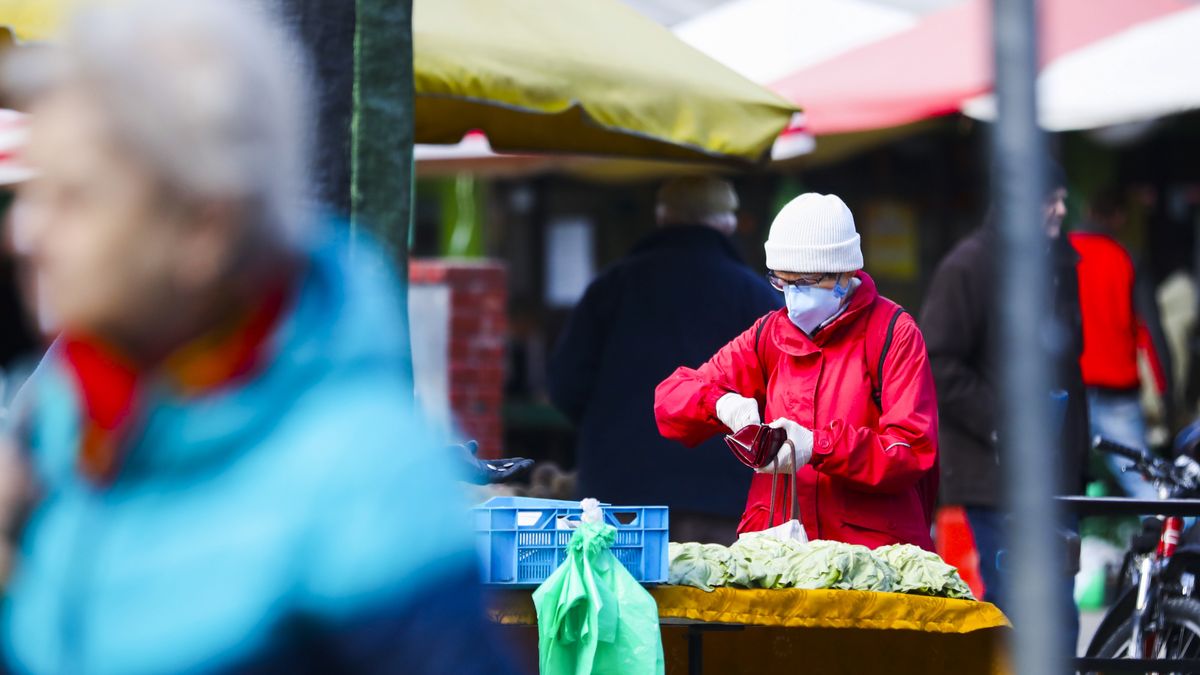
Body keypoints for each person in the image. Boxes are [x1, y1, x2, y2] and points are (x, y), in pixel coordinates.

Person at [0, 2, 516, 673]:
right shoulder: (53, 430)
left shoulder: (372, 484)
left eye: (77, 198)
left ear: (204, 231)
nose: (24, 233)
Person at [653, 193, 939, 549]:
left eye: (803, 282)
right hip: (780, 551)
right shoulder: (768, 334)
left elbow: (911, 450)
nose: (791, 296)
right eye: (781, 282)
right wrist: (719, 403)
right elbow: (670, 400)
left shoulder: (893, 333)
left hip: (869, 556)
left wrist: (819, 446)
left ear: (843, 273)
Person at [549, 176, 781, 544]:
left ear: (662, 218)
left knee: (621, 602)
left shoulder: (611, 287)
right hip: (723, 505)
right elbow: (783, 398)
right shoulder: (756, 297)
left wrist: (614, 429)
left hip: (619, 501)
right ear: (728, 224)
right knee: (715, 602)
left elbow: (565, 386)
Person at [920, 165, 1087, 625]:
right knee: (1026, 611)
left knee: (1058, 613)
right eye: (1048, 198)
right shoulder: (969, 266)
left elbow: (1068, 368)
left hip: (1057, 474)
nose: (1061, 208)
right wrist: (1008, 424)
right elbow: (937, 361)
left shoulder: (1059, 261)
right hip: (997, 478)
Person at [1070, 188, 1172, 498]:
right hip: (1119, 389)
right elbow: (1152, 332)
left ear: (1087, 210)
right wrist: (1167, 397)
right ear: (1119, 217)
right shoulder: (1126, 257)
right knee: (1148, 488)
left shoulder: (1060, 253)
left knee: (1058, 489)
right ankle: (1172, 543)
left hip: (1068, 388)